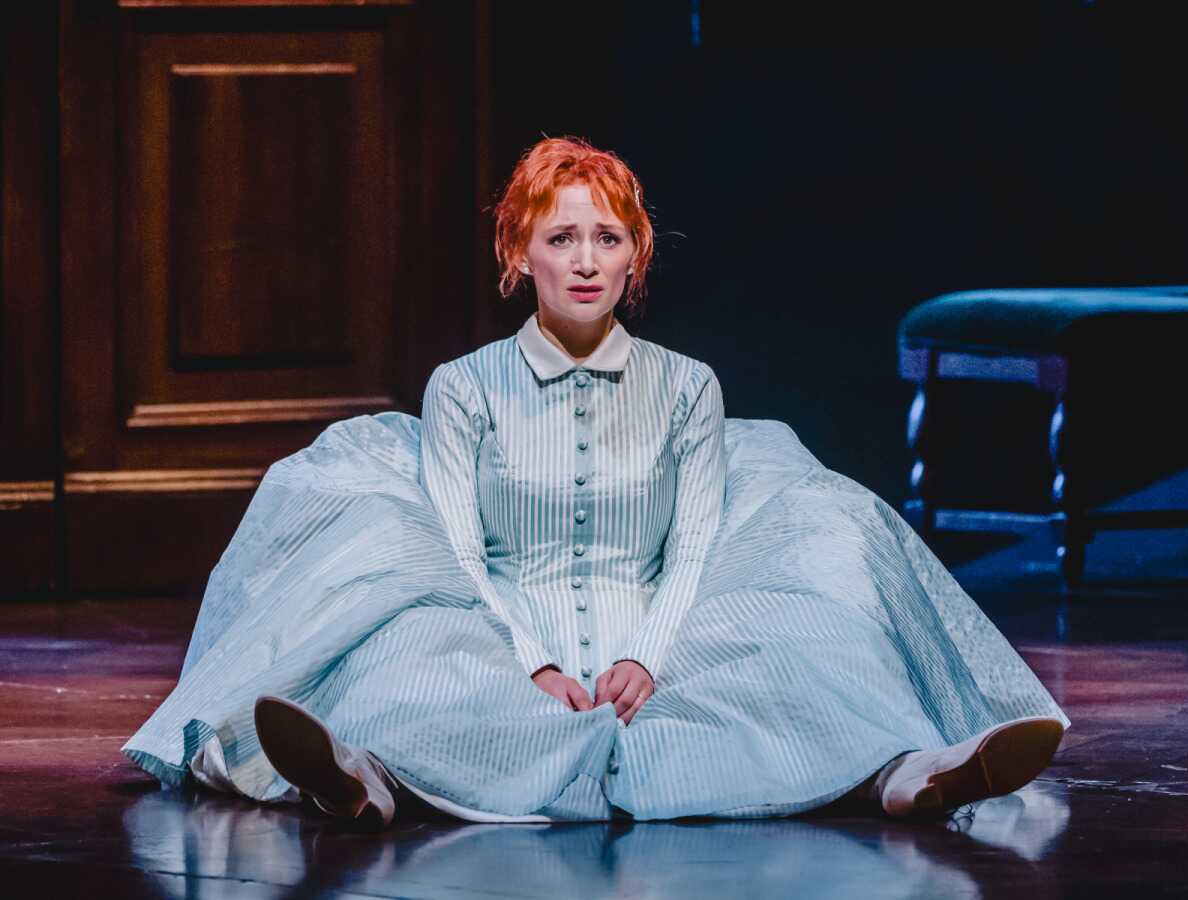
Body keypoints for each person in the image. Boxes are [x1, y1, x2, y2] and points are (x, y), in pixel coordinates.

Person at [123, 136, 1069, 827]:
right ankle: (362, 777)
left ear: (636, 255)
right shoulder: (465, 386)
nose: (586, 261)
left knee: (802, 647)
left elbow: (692, 542)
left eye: (608, 238)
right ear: (519, 252)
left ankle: (908, 773)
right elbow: (458, 545)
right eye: (562, 237)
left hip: (658, 617)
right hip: (499, 616)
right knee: (409, 657)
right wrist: (533, 659)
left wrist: (649, 656)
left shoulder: (687, 385)